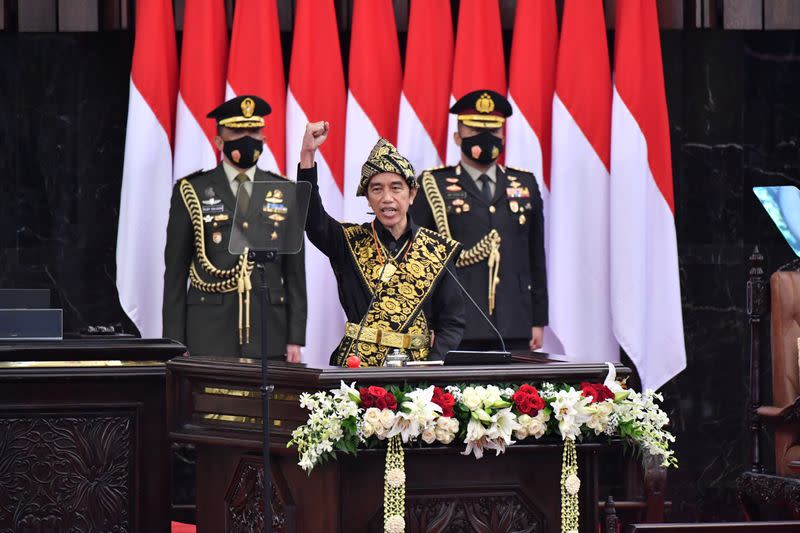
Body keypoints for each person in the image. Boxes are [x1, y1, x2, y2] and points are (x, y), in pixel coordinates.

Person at [297, 121, 465, 366]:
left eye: (396, 188)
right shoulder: (348, 241)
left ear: (412, 194)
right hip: (357, 372)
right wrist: (307, 156)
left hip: (417, 376)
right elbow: (312, 220)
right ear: (367, 198)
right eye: (377, 189)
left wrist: (432, 369)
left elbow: (451, 322)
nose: (387, 198)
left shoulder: (436, 250)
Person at [162, 95, 307, 361]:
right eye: (237, 131)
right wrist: (174, 341)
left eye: (254, 131)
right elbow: (174, 274)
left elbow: (295, 272)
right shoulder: (191, 190)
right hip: (208, 329)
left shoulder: (285, 191)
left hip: (269, 328)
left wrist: (295, 338)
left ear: (264, 138)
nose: (247, 137)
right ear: (219, 141)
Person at [411, 89, 548, 352]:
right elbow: (421, 261)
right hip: (455, 323)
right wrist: (425, 322)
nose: (486, 138)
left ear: (503, 136)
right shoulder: (433, 185)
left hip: (515, 320)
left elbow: (535, 257)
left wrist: (538, 319)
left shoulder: (525, 183)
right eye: (474, 130)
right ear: (457, 136)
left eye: (493, 132)